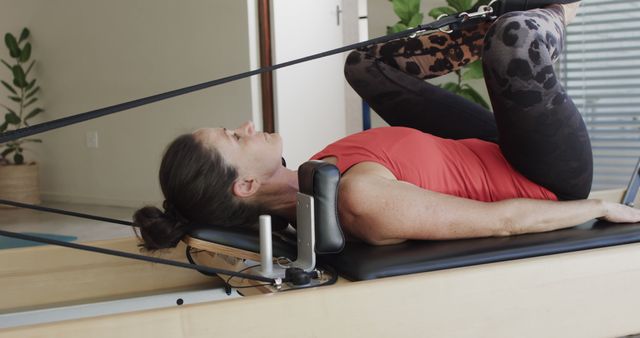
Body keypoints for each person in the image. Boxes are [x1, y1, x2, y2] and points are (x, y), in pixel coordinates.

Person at [134, 2, 640, 250]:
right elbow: (503, 221)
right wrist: (597, 207)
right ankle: (557, 10)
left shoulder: (321, 168)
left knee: (362, 65)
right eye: (235, 137)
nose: (246, 125)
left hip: (486, 147)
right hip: (540, 177)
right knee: (516, 40)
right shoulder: (358, 200)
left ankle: (502, 13)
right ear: (244, 184)